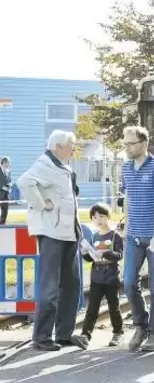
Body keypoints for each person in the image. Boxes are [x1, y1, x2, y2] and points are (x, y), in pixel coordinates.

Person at [16, 130, 86, 351]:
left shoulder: (62, 165)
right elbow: (24, 182)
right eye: (71, 146)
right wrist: (40, 204)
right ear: (58, 146)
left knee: (72, 285)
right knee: (50, 287)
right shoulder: (45, 163)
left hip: (68, 233)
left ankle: (64, 333)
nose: (73, 150)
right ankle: (43, 337)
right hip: (52, 234)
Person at [119, 126, 154, 352]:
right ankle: (141, 325)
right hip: (133, 236)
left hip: (153, 236)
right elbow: (127, 197)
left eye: (131, 143)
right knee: (128, 283)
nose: (127, 148)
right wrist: (126, 228)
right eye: (125, 144)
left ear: (144, 143)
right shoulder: (125, 168)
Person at [71, 203, 124, 349]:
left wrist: (106, 252)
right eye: (94, 217)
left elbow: (119, 255)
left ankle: (118, 332)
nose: (98, 219)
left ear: (108, 217)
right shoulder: (93, 236)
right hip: (96, 278)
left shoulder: (115, 236)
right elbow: (91, 259)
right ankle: (85, 336)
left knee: (114, 307)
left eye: (101, 216)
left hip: (112, 278)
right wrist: (85, 253)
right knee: (92, 308)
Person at [0, 157, 10, 225]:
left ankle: (2, 225)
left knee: (5, 211)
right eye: (8, 163)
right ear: (3, 162)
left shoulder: (8, 171)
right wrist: (7, 188)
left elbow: (9, 181)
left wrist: (10, 187)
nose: (9, 164)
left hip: (5, 195)